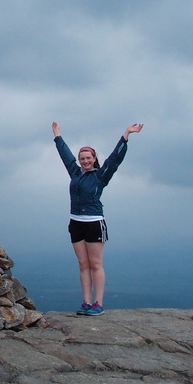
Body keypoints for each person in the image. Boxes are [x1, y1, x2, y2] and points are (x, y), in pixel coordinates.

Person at [51, 121, 144, 316]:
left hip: (94, 223)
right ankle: (86, 302)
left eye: (88, 158)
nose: (84, 161)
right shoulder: (75, 173)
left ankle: (98, 303)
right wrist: (57, 135)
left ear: (94, 159)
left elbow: (115, 159)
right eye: (82, 158)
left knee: (95, 264)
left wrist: (126, 135)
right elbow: (65, 156)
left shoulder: (101, 176)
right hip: (75, 222)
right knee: (83, 264)